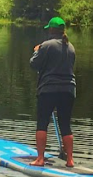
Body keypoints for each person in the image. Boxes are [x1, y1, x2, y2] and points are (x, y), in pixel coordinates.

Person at [29, 16, 76, 168]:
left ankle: (40, 159)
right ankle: (70, 160)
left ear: (51, 30)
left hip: (48, 89)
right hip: (68, 90)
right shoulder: (71, 47)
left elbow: (34, 64)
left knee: (42, 122)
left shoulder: (46, 45)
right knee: (65, 125)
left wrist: (37, 51)